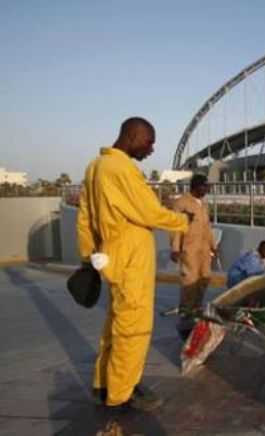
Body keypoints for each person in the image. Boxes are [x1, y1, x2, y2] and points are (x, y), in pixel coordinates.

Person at [77, 117, 190, 411]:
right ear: (132, 135)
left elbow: (85, 218)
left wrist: (88, 256)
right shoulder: (123, 169)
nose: (151, 149)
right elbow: (150, 211)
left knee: (116, 321)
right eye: (148, 141)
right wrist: (182, 221)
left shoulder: (94, 167)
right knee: (134, 327)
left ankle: (104, 383)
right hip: (131, 257)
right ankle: (123, 392)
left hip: (111, 255)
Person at [170, 174, 217, 340]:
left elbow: (208, 227)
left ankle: (196, 310)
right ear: (196, 186)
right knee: (189, 280)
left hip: (204, 249)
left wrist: (213, 246)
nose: (207, 189)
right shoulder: (181, 203)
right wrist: (175, 249)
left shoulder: (203, 204)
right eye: (204, 186)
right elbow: (175, 227)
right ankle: (185, 315)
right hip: (189, 248)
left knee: (204, 278)